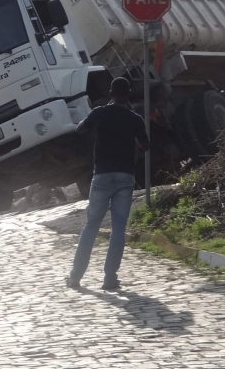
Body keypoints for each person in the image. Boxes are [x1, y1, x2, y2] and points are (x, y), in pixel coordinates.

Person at [67, 77, 150, 291]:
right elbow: (146, 145)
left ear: (111, 92)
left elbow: (80, 129)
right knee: (118, 229)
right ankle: (110, 278)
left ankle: (76, 277)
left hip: (102, 176)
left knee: (91, 225)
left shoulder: (99, 113)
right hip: (124, 177)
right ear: (128, 93)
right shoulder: (135, 119)